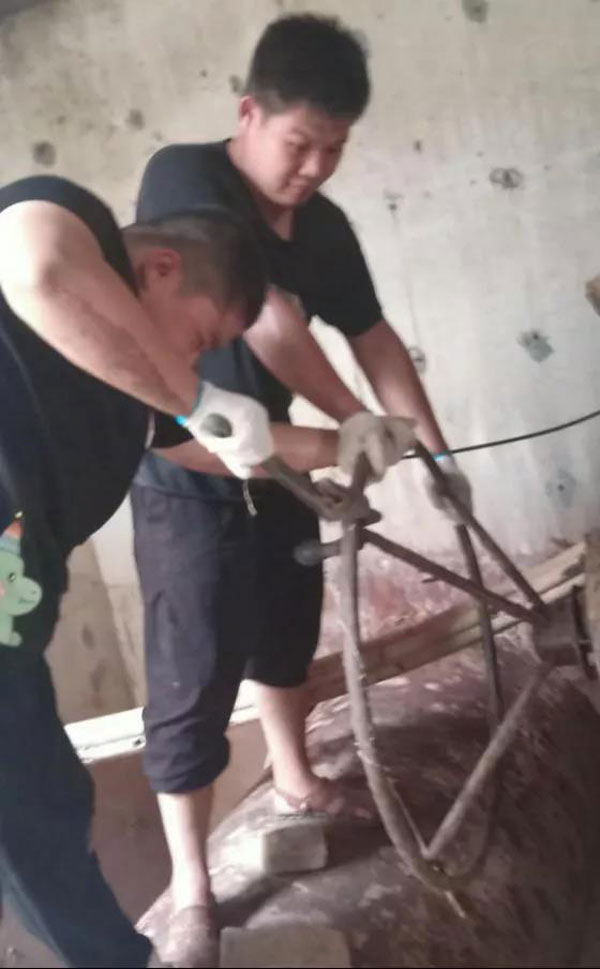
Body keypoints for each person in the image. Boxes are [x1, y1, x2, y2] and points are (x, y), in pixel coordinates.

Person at [134, 14, 471, 966]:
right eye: (300, 143)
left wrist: (438, 459)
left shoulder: (324, 228)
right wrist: (355, 419)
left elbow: (375, 338)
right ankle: (194, 887)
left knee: (286, 630)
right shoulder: (185, 179)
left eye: (335, 148)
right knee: (192, 671)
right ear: (249, 113)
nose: (316, 167)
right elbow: (270, 320)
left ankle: (293, 776)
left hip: (281, 463)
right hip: (191, 464)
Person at [0, 173, 283, 968]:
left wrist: (352, 443)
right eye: (198, 335)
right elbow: (36, 270)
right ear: (160, 268)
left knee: (43, 801)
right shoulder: (72, 219)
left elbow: (230, 451)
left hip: (11, 605)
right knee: (32, 809)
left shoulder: (126, 402)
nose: (190, 359)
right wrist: (194, 392)